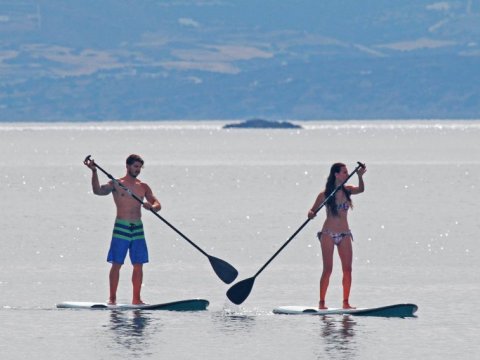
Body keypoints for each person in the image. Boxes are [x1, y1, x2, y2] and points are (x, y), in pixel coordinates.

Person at [84, 154, 161, 305]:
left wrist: (151, 207)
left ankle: (136, 299)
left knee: (138, 265)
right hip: (121, 227)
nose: (137, 170)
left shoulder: (143, 186)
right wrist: (94, 172)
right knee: (117, 264)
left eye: (139, 167)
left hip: (137, 228)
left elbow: (158, 204)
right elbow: (98, 191)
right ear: (127, 166)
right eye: (135, 166)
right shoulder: (116, 184)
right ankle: (112, 299)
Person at [307, 162, 366, 309]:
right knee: (328, 269)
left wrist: (359, 176)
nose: (347, 174)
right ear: (336, 174)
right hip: (328, 234)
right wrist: (311, 214)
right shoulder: (325, 194)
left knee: (348, 269)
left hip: (345, 234)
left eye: (347, 172)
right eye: (344, 172)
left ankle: (346, 303)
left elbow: (361, 189)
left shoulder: (348, 190)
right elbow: (311, 211)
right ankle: (322, 303)